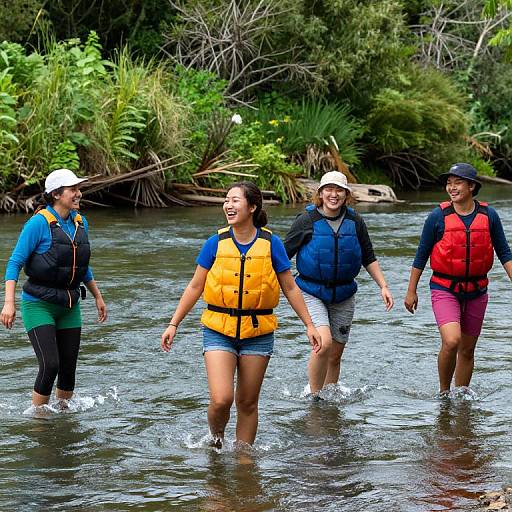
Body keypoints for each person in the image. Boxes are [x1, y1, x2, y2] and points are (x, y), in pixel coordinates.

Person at [161, 181, 321, 447]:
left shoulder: (272, 244)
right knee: (222, 399)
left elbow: (290, 287)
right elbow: (195, 286)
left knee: (247, 402)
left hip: (258, 332)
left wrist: (310, 325)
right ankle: (216, 439)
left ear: (252, 206)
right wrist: (173, 324)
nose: (228, 205)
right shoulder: (215, 243)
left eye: (235, 200)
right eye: (226, 200)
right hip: (218, 329)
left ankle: (244, 461)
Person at [1, 168, 107, 407]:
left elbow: (81, 265)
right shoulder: (38, 224)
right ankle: (38, 420)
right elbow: (14, 263)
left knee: (68, 369)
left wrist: (98, 297)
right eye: (74, 190)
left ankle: (63, 417)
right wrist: (9, 303)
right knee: (50, 365)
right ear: (57, 194)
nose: (79, 194)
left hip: (69, 305)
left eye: (79, 189)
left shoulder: (80, 222)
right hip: (39, 305)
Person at [404, 163, 512, 393]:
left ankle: (461, 396)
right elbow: (421, 255)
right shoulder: (437, 216)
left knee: (468, 349)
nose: (451, 188)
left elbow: (504, 253)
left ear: (472, 186)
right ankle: (444, 393)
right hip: (444, 288)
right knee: (452, 341)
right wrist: (411, 291)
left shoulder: (489, 216)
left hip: (477, 291)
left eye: (458, 183)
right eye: (448, 183)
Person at [284, 171, 394, 395]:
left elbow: (368, 257)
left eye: (339, 190)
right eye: (329, 189)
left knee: (335, 353)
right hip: (311, 290)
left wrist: (383, 285)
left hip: (344, 293)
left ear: (346, 194)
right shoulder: (306, 220)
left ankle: (330, 396)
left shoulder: (355, 221)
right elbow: (282, 257)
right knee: (323, 344)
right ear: (321, 193)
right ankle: (315, 398)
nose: (333, 195)